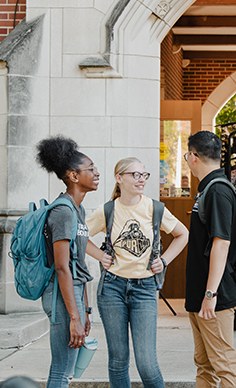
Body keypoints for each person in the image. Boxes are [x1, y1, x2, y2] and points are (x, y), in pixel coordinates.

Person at [85, 157, 189, 388]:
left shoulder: (155, 208)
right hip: (112, 288)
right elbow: (78, 235)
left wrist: (164, 260)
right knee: (118, 360)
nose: (141, 180)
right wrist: (99, 255)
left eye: (144, 175)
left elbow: (183, 234)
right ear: (119, 178)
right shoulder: (108, 210)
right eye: (135, 175)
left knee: (146, 362)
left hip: (145, 289)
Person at [35, 136, 99, 388]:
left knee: (68, 369)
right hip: (61, 294)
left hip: (73, 295)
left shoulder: (78, 209)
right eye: (91, 169)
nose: (96, 173)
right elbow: (62, 267)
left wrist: (84, 311)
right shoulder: (62, 211)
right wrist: (74, 317)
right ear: (73, 176)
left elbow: (78, 264)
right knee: (62, 368)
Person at [184, 131, 236, 388]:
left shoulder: (218, 190)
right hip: (201, 295)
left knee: (224, 364)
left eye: (187, 155)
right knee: (205, 364)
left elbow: (222, 243)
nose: (186, 159)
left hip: (213, 296)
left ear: (194, 157)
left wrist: (210, 294)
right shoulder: (207, 189)